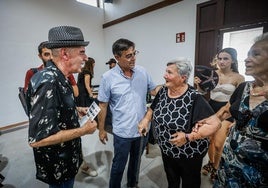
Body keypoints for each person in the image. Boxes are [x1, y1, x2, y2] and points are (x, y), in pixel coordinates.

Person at [26, 26, 97, 188]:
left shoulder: (60, 77)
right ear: (65, 54)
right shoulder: (48, 81)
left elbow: (54, 109)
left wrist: (75, 110)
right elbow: (38, 140)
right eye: (82, 52)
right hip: (58, 165)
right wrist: (83, 130)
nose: (86, 57)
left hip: (67, 160)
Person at [138, 58, 221, 188]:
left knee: (190, 184)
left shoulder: (194, 97)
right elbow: (152, 109)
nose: (164, 75)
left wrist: (188, 137)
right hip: (166, 150)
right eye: (166, 71)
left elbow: (215, 124)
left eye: (169, 73)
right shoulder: (163, 91)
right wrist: (145, 120)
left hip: (189, 154)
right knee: (172, 181)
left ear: (182, 77)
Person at [97, 38, 159, 188]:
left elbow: (153, 90)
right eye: (128, 56)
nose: (133, 59)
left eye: (134, 53)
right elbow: (103, 106)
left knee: (136, 163)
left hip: (141, 130)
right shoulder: (108, 78)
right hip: (122, 132)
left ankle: (132, 184)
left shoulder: (142, 72)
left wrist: (170, 84)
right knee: (119, 165)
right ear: (117, 58)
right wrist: (101, 130)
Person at [208, 32, 268, 187]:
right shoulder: (244, 87)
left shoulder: (237, 78)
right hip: (229, 165)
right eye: (247, 54)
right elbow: (226, 110)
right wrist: (198, 129)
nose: (247, 59)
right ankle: (213, 166)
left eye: (255, 54)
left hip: (258, 174)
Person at [195, 48, 244, 181]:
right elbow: (202, 92)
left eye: (225, 58)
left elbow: (240, 100)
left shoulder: (239, 78)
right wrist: (198, 86)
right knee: (209, 140)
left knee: (218, 143)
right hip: (210, 108)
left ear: (232, 60)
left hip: (227, 111)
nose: (221, 61)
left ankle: (217, 167)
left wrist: (236, 120)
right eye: (219, 58)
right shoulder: (212, 74)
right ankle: (211, 163)